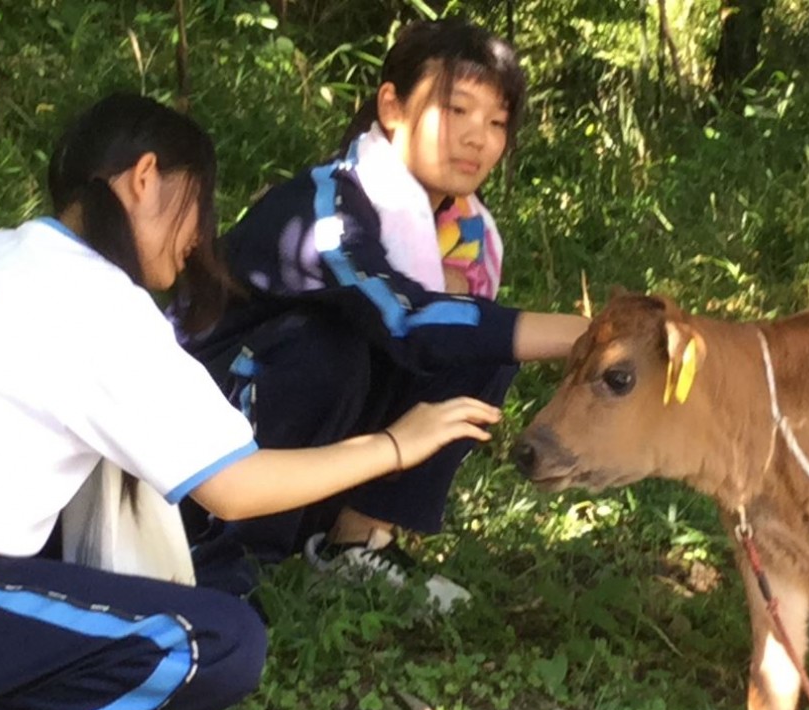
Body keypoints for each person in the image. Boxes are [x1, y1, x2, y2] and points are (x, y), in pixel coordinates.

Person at [0, 93, 503, 710]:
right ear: (144, 178)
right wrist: (396, 443)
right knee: (215, 642)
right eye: (199, 202)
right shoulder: (99, 301)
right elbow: (235, 486)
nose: (200, 233)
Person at [176, 18, 589, 609]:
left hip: (317, 444)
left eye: (496, 122)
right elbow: (406, 320)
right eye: (457, 111)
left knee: (479, 342)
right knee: (329, 347)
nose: (478, 138)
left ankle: (355, 542)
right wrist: (590, 336)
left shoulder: (459, 230)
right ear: (391, 107)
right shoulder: (325, 211)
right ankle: (223, 557)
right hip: (205, 450)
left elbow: (445, 329)